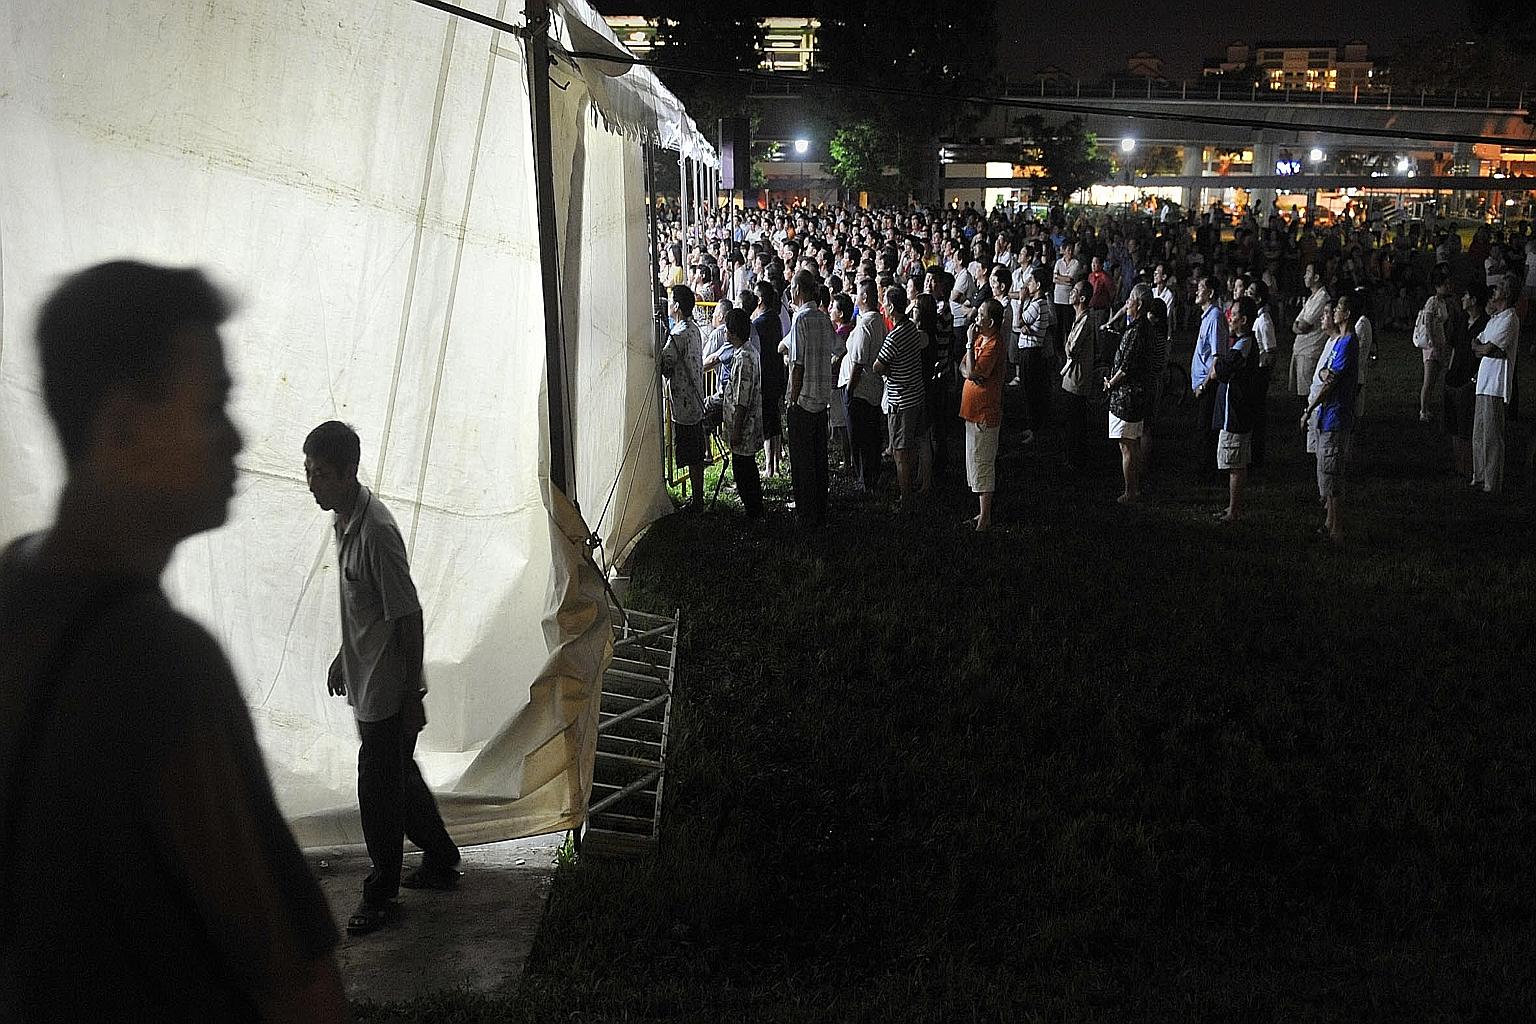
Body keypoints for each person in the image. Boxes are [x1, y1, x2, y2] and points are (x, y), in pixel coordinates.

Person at [0, 261, 346, 1021]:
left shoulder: (14, 592)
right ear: (123, 426)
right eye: (213, 405)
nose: (236, 437)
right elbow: (294, 979)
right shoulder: (159, 665)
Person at [303, 421, 461, 936]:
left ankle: (380, 894)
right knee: (399, 778)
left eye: (321, 473)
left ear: (349, 472)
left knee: (378, 794)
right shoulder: (345, 521)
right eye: (307, 470)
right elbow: (366, 611)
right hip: (369, 685)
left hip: (389, 695)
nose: (311, 482)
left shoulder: (376, 533)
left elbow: (407, 616)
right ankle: (440, 859)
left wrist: (412, 694)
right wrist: (343, 657)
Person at [1299, 294, 1361, 544]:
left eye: (1338, 308)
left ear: (1347, 314)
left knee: (1333, 474)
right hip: (1327, 417)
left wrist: (1309, 408)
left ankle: (1337, 529)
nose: (1334, 311)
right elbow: (1327, 372)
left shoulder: (1347, 343)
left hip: (1335, 416)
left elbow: (1331, 380)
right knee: (1327, 471)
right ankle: (1329, 523)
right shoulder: (1338, 342)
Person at [784, 270, 835, 525]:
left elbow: (797, 364)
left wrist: (792, 400)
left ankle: (806, 513)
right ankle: (820, 509)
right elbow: (839, 348)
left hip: (803, 400)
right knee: (819, 457)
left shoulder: (800, 320)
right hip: (822, 399)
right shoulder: (824, 319)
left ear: (798, 290)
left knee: (802, 460)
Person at [874, 286, 929, 513]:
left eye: (886, 304)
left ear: (893, 308)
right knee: (911, 446)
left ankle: (905, 499)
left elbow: (878, 366)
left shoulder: (894, 336)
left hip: (901, 400)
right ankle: (913, 485)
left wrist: (888, 369)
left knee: (900, 451)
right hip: (916, 395)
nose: (883, 308)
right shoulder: (911, 329)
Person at [1211, 297, 1260, 522]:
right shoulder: (1240, 342)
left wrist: (1218, 362)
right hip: (1234, 411)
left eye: (1234, 314)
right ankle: (1233, 507)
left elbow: (1222, 368)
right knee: (1234, 461)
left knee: (1235, 462)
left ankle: (1234, 510)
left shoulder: (1244, 345)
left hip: (1237, 413)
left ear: (1244, 320)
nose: (1229, 317)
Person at [1471, 276, 1521, 494]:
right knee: (1479, 433)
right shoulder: (1494, 319)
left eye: (1499, 287)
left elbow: (1489, 348)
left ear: (1507, 294)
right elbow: (1478, 345)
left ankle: (1492, 482)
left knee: (1492, 436)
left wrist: (1486, 350)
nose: (1494, 290)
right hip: (1483, 383)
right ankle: (1479, 476)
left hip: (1495, 385)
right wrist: (1485, 349)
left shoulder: (1510, 319)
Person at [1104, 284, 1153, 504]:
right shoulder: (1141, 327)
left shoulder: (1137, 331)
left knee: (1127, 444)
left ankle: (1130, 491)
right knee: (1130, 443)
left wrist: (1110, 383)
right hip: (1134, 394)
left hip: (1128, 396)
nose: (1126, 304)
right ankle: (1134, 487)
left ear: (1139, 304)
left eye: (1130, 300)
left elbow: (1126, 365)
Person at [960, 298, 1005, 530]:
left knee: (983, 463)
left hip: (985, 413)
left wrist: (969, 346)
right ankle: (980, 512)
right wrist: (971, 370)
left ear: (992, 321)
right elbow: (964, 368)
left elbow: (973, 371)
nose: (976, 319)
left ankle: (985, 517)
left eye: (980, 316)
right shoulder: (981, 339)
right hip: (971, 411)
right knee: (974, 462)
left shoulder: (994, 344)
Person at [660, 284, 706, 510]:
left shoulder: (678, 333)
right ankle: (697, 497)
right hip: (696, 399)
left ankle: (697, 501)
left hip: (684, 403)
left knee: (692, 453)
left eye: (670, 300)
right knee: (696, 452)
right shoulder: (694, 329)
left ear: (676, 306)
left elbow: (665, 363)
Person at [843, 281, 887, 494]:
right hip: (873, 389)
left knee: (860, 437)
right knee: (870, 435)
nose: (855, 299)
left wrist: (850, 390)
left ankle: (864, 480)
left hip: (861, 389)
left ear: (865, 298)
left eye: (858, 295)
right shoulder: (877, 322)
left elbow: (858, 363)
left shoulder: (866, 326)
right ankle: (871, 476)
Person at [722, 308, 764, 517]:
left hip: (745, 427)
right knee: (747, 468)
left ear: (734, 333)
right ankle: (754, 509)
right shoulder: (748, 352)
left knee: (743, 470)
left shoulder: (744, 358)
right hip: (748, 424)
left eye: (727, 330)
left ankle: (753, 511)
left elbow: (742, 399)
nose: (725, 334)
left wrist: (736, 429)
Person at [1444, 289, 1484, 483]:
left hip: (1468, 381)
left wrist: (1473, 381)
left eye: (1466, 296)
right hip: (1454, 378)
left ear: (1474, 300)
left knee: (1465, 427)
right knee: (1453, 426)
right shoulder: (1461, 322)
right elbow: (1454, 348)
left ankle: (1468, 468)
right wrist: (1449, 372)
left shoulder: (1484, 324)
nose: (1462, 299)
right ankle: (1458, 466)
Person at [1190, 276, 1227, 480]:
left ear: (1210, 293)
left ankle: (1208, 472)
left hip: (1209, 385)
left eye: (1201, 288)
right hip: (1203, 384)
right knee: (1202, 428)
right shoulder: (1207, 317)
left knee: (1206, 429)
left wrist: (1204, 385)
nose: (1197, 291)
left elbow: (1217, 357)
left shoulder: (1214, 318)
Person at [1014, 265, 1054, 447]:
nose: (1027, 285)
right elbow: (1022, 326)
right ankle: (1033, 427)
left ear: (1037, 285)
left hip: (1030, 352)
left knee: (1029, 390)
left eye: (1030, 281)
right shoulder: (1041, 304)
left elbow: (1019, 322)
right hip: (1032, 350)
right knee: (1030, 389)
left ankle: (1034, 429)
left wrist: (1021, 301)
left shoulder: (1037, 304)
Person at [753, 281, 787, 479]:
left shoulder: (759, 324)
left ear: (759, 300)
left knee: (768, 423)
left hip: (765, 378)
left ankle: (769, 467)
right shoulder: (775, 318)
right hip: (776, 375)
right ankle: (775, 463)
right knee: (774, 421)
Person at [1060, 279, 1095, 471]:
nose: (1070, 293)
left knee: (1076, 421)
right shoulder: (1079, 318)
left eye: (1074, 291)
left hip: (1077, 378)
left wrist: (1067, 343)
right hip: (1072, 376)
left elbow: (1071, 349)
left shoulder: (1085, 320)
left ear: (1082, 298)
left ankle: (1076, 459)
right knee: (1071, 419)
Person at [1413, 272, 1453, 422]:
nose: (1448, 287)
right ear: (1437, 286)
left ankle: (1427, 407)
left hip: (1439, 341)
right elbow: (1428, 322)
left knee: (1434, 378)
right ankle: (1423, 410)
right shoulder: (1432, 302)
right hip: (1432, 344)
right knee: (1428, 379)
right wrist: (1433, 343)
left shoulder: (1442, 302)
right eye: (1445, 285)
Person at [1247, 279, 1277, 468]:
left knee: (1257, 418)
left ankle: (1257, 458)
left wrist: (1263, 374)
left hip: (1259, 374)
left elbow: (1271, 351)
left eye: (1250, 292)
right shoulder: (1256, 318)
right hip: (1254, 372)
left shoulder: (1264, 321)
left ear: (1258, 298)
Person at [1291, 261, 1330, 398]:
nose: (1304, 276)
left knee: (1306, 393)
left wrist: (1299, 326)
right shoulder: (1312, 298)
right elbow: (1296, 324)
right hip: (1301, 348)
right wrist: (1298, 326)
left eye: (1308, 273)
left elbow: (1303, 324)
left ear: (1316, 277)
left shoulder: (1322, 298)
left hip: (1310, 350)